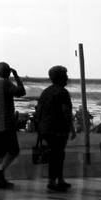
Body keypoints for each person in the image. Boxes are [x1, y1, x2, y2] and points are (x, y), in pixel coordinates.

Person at [0, 62, 26, 189]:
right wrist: (17, 76)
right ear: (8, 72)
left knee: (0, 153)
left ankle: (1, 180)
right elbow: (21, 92)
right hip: (6, 124)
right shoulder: (5, 83)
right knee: (14, 151)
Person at [35, 65, 74, 193]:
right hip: (58, 129)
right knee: (57, 154)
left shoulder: (45, 92)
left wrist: (39, 128)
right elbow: (66, 111)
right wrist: (72, 128)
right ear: (61, 77)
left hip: (45, 128)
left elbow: (39, 111)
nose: (67, 77)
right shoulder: (63, 92)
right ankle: (53, 181)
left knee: (56, 154)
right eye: (66, 75)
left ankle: (59, 179)